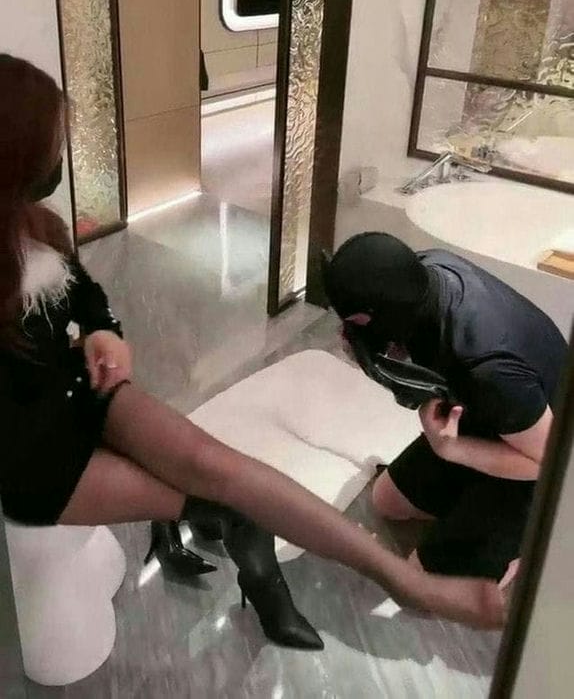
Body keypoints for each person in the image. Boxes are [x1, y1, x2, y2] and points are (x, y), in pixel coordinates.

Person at [0, 57, 506, 652]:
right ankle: (260, 576)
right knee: (225, 500)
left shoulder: (31, 223)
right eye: (54, 146)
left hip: (80, 390)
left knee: (227, 468)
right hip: (34, 457)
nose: (61, 160)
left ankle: (406, 582)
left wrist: (101, 329)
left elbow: (83, 291)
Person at [323, 232, 567, 591]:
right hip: (495, 418)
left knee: (420, 585)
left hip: (549, 464)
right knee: (386, 501)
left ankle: (533, 535)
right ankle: (477, 506)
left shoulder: (487, 367)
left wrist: (451, 449)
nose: (349, 333)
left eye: (355, 323)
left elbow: (549, 461)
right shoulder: (428, 269)